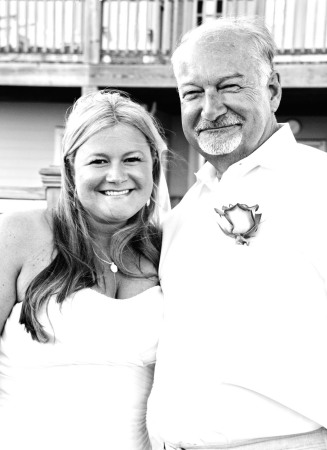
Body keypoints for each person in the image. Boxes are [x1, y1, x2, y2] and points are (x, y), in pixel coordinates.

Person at [148, 16, 327, 450]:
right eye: (193, 92)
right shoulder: (184, 211)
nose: (209, 109)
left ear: (273, 90)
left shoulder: (318, 184)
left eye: (229, 86)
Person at [0, 90, 170, 450]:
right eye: (97, 161)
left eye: (132, 159)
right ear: (70, 168)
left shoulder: (168, 249)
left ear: (153, 166)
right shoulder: (19, 234)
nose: (116, 175)